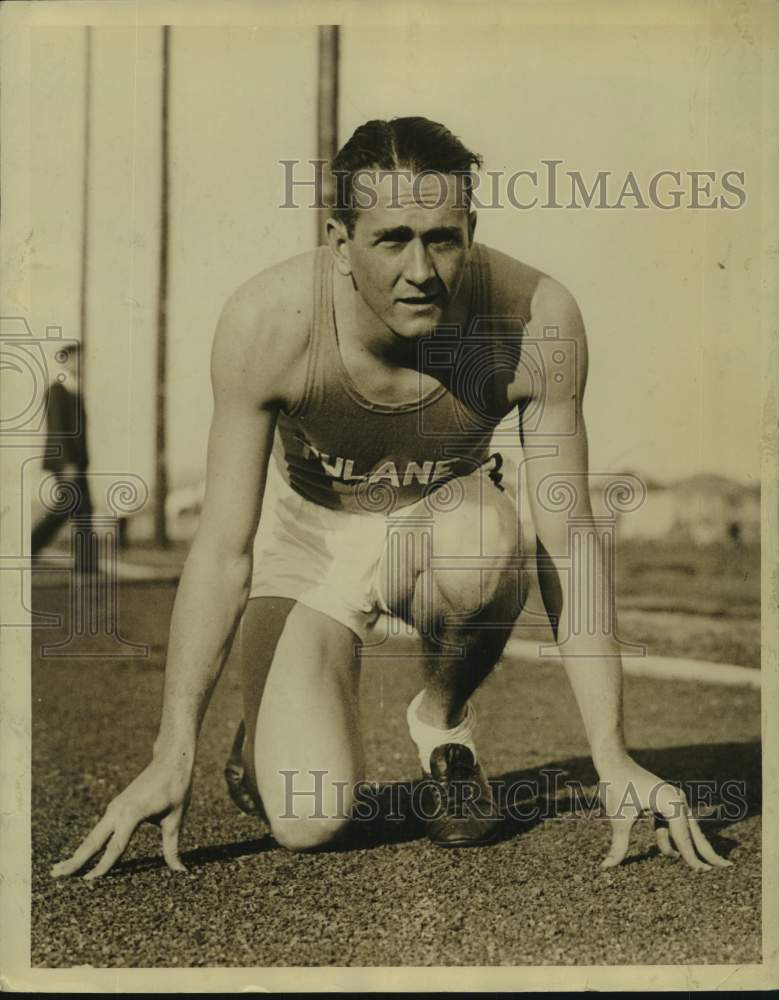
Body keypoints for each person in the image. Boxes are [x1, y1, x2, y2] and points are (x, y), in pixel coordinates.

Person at [52, 117, 730, 879]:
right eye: (391, 239)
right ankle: (271, 711)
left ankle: (442, 729)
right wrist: (171, 752)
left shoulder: (533, 318)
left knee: (487, 537)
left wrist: (611, 755)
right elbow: (221, 549)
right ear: (339, 242)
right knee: (309, 820)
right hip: (311, 541)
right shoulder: (267, 322)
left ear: (470, 228)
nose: (421, 269)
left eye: (443, 237)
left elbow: (568, 539)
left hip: (445, 524)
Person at [32, 341, 95, 574]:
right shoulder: (58, 390)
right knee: (75, 508)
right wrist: (67, 463)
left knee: (77, 508)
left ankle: (86, 565)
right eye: (78, 358)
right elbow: (58, 430)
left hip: (75, 463)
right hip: (66, 463)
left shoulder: (74, 390)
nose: (82, 363)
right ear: (65, 359)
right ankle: (85, 565)